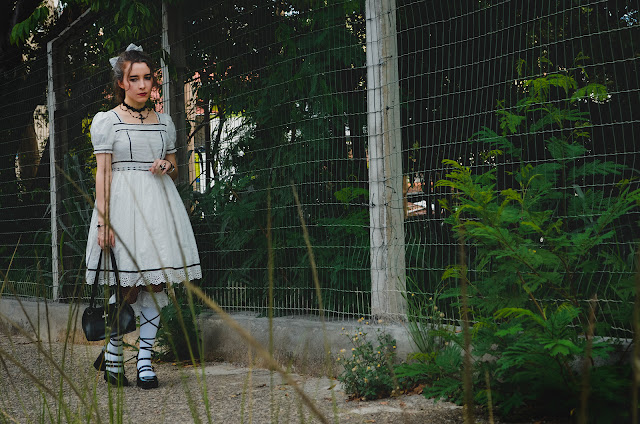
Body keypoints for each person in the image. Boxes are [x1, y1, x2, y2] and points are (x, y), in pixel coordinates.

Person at [85, 43, 202, 389]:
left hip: (158, 209)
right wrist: (104, 222)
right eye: (133, 78)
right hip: (122, 210)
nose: (141, 84)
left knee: (155, 284)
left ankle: (145, 361)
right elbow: (103, 174)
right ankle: (113, 355)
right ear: (121, 82)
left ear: (154, 80)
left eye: (147, 77)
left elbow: (175, 168)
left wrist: (167, 165)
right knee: (126, 288)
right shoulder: (107, 122)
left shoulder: (164, 123)